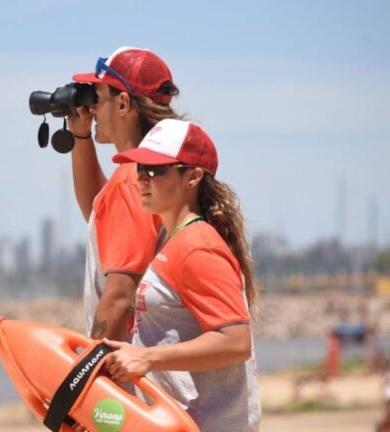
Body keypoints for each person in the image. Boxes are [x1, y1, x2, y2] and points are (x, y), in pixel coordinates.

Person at [102, 119, 261, 430]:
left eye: (156, 169)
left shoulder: (197, 246)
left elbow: (235, 341)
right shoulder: (175, 241)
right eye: (140, 168)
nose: (143, 179)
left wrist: (148, 358)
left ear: (193, 176)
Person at [67, 46, 182, 340]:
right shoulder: (167, 168)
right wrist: (81, 136)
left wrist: (91, 376)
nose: (91, 109)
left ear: (123, 104)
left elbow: (119, 295)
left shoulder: (133, 180)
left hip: (145, 376)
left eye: (98, 98)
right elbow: (100, 212)